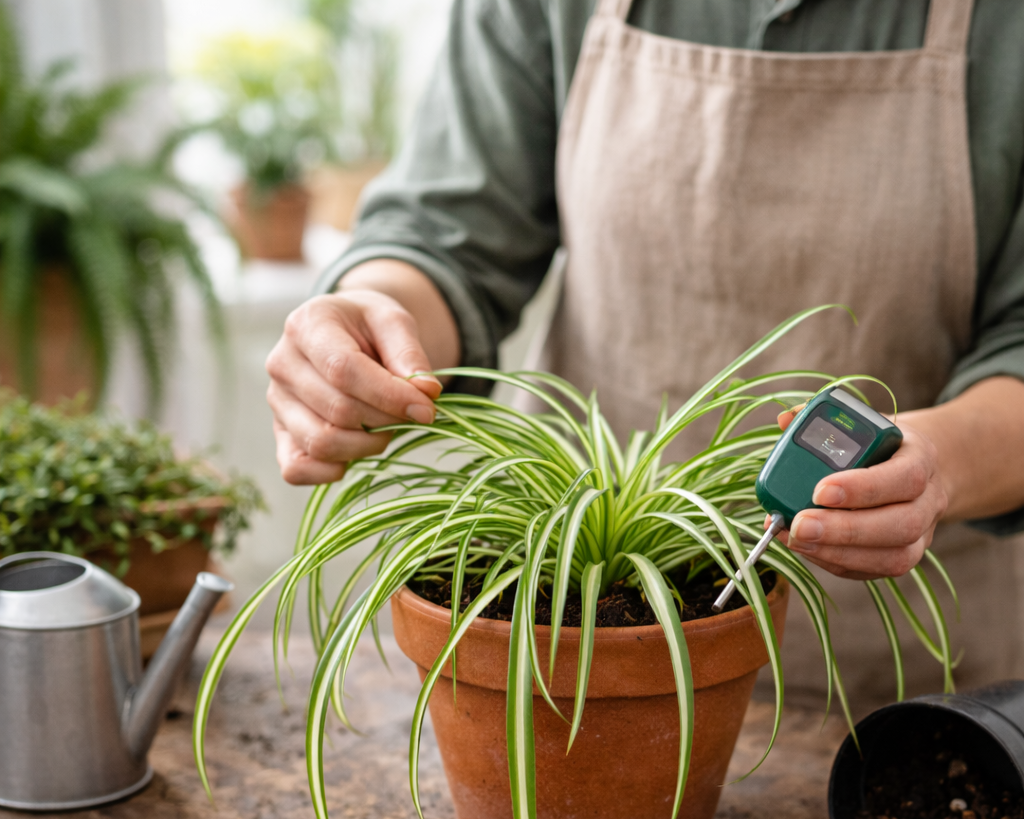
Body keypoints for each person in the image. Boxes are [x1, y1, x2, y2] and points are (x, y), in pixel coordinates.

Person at [265, 0, 1024, 708]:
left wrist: (940, 464)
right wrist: (373, 322)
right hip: (568, 635)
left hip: (896, 679)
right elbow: (451, 233)